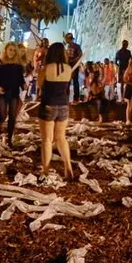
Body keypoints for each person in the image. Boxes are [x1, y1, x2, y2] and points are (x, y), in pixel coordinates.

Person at [37, 42, 78, 179]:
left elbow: (39, 85)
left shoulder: (46, 68)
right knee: (61, 138)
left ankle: (46, 170)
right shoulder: (68, 69)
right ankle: (68, 166)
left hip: (48, 104)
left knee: (47, 140)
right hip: (64, 105)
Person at [0, 42, 26, 146]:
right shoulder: (0, 63)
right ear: (6, 50)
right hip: (2, 92)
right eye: (10, 50)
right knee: (2, 114)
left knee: (12, 116)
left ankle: (9, 138)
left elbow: (20, 78)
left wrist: (23, 84)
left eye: (14, 50)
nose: (12, 52)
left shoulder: (18, 65)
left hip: (14, 93)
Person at [64, 33, 82, 102]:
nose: (65, 40)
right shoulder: (67, 46)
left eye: (66, 38)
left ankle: (76, 98)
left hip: (74, 65)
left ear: (69, 39)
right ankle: (66, 97)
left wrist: (74, 61)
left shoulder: (77, 46)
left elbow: (80, 55)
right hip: (68, 65)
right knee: (67, 81)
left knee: (75, 81)